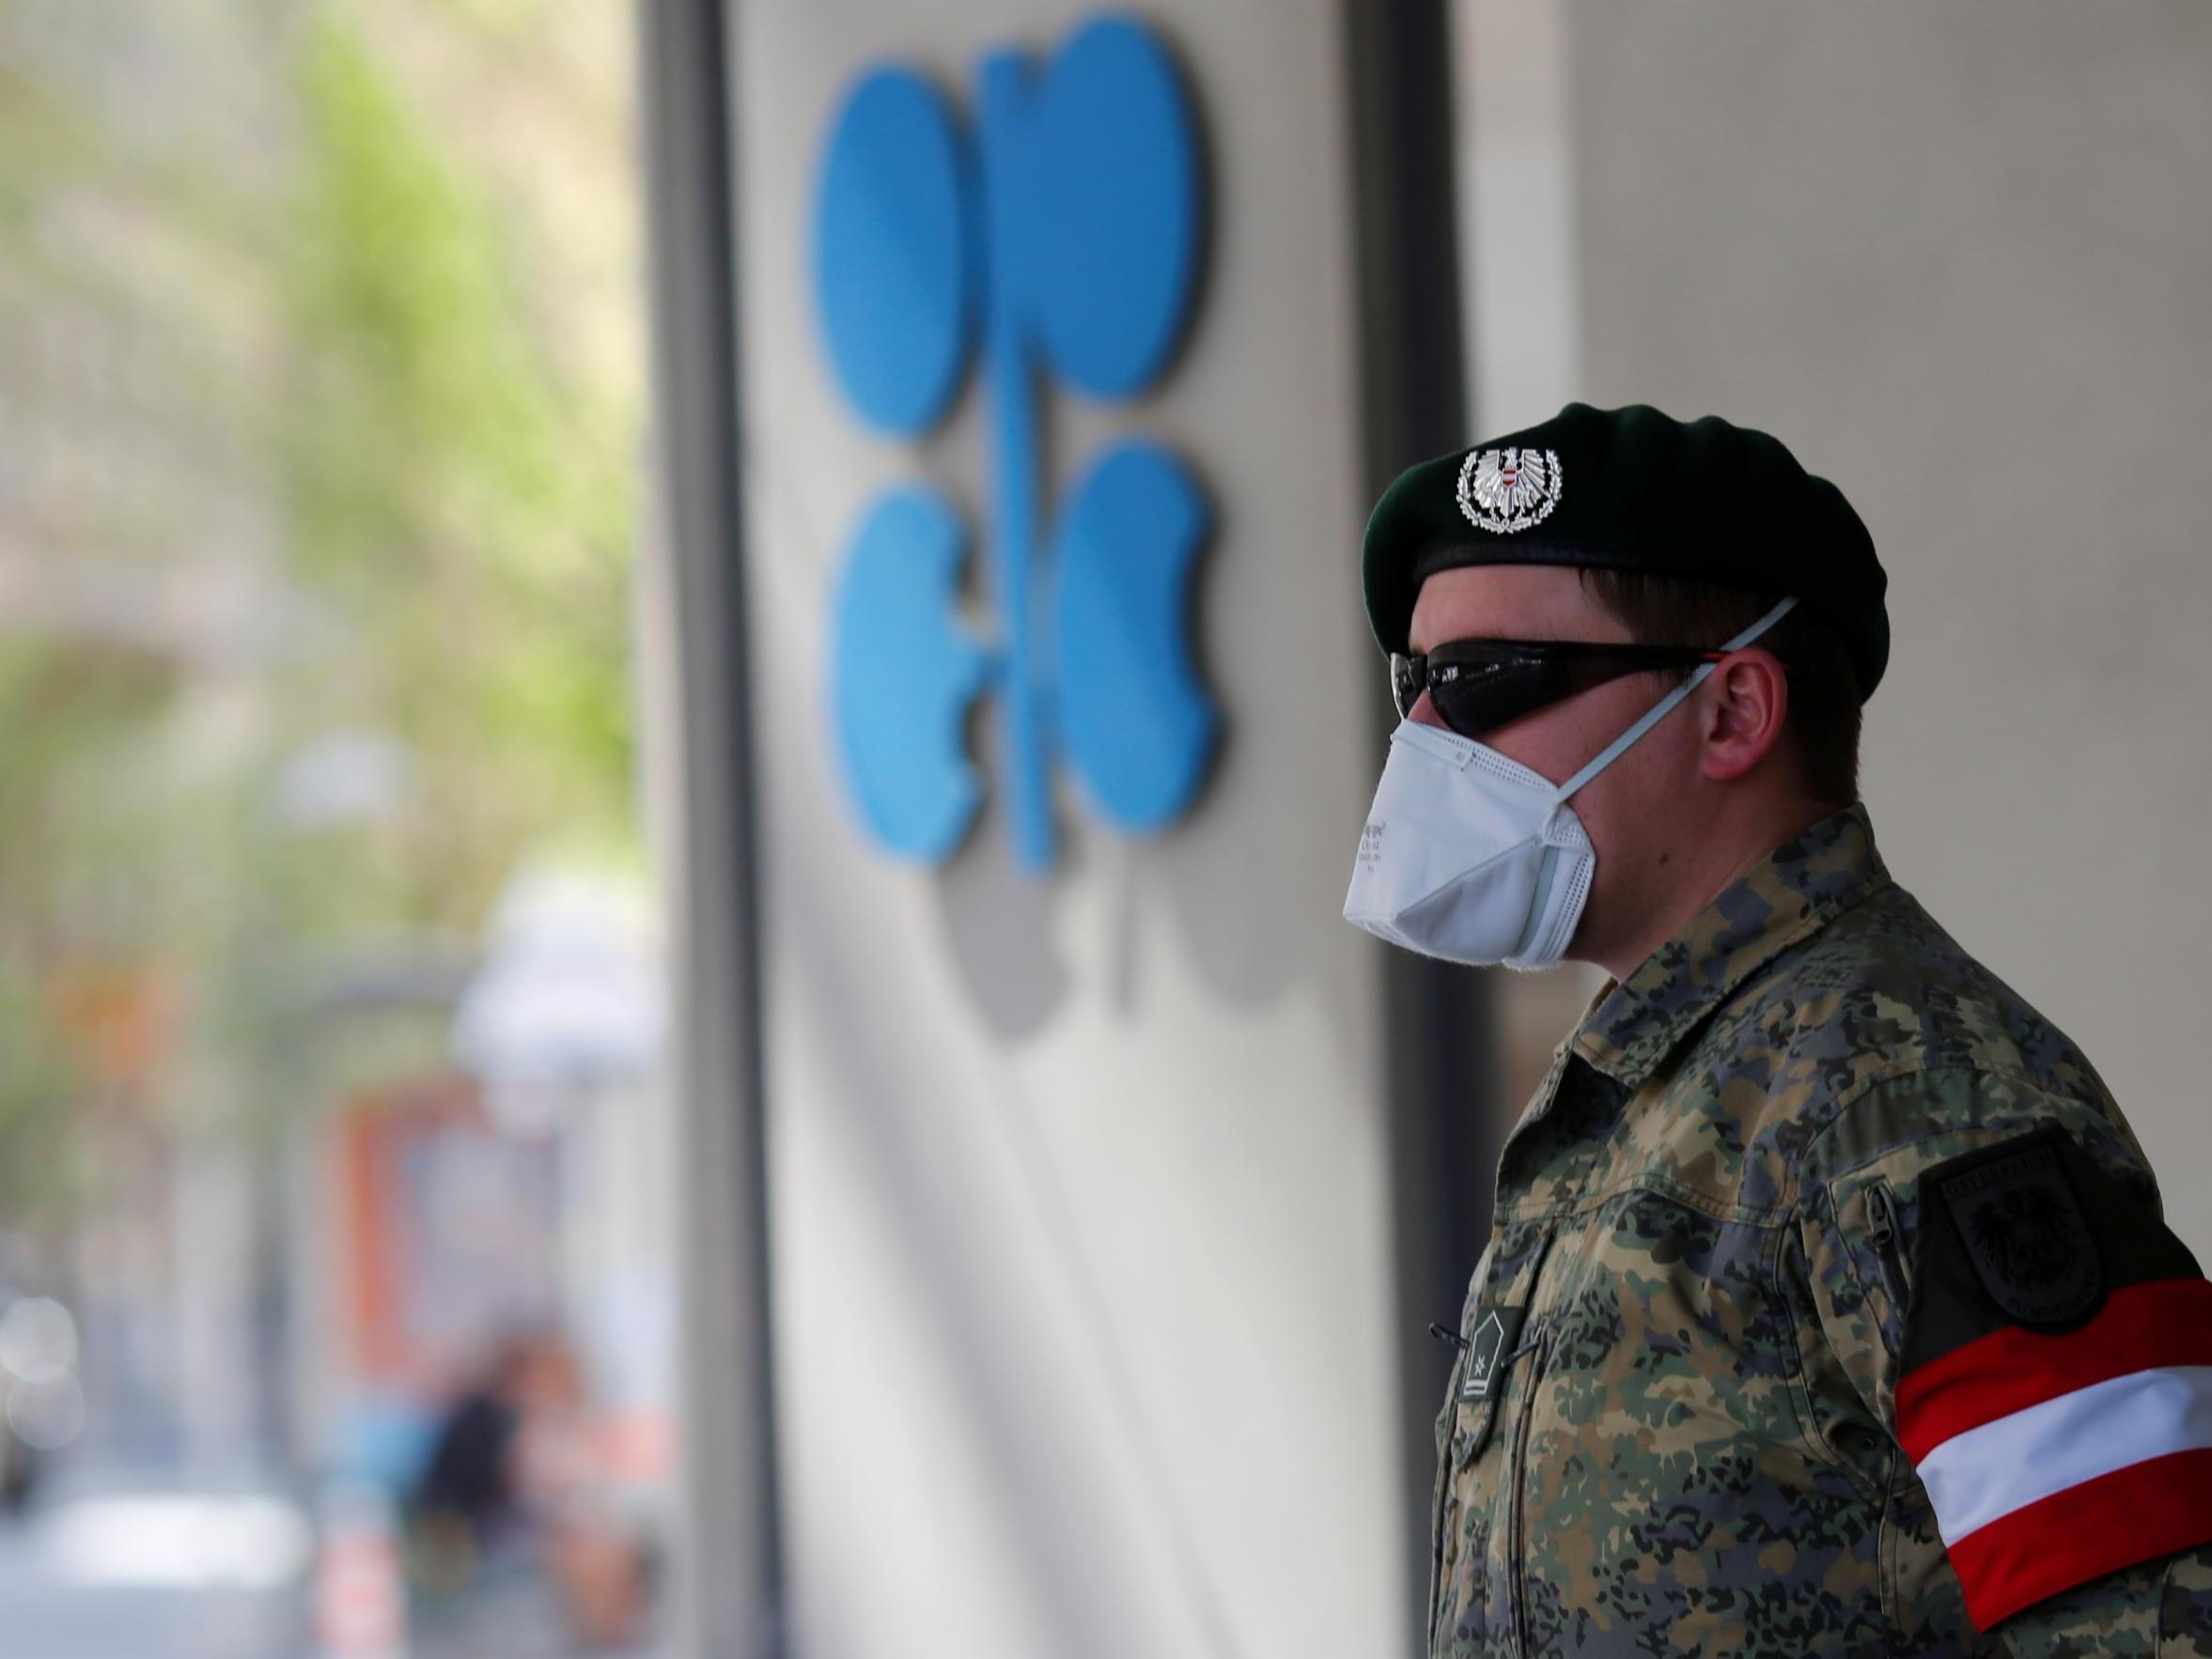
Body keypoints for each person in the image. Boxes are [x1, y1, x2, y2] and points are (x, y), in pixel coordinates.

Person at [1344, 403, 2212, 1656]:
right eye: (1410, 682)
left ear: (1732, 713)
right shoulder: (1648, 1083)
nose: (1420, 739)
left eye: (1480, 683)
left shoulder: (1902, 1091)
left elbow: (2153, 1629)